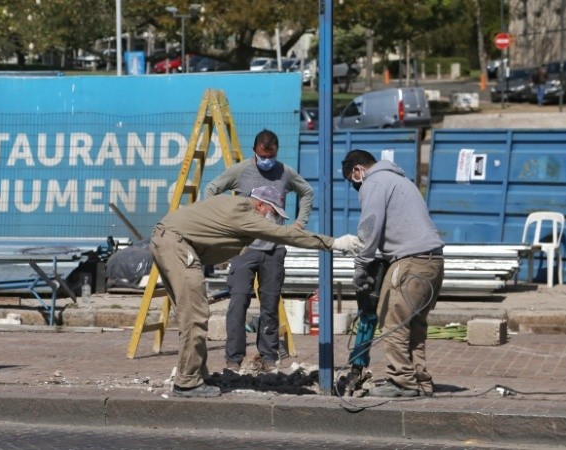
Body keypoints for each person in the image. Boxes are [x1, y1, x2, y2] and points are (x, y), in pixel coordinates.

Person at [150, 186, 362, 398]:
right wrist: (333, 243)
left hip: (168, 241)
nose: (269, 219)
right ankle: (187, 382)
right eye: (270, 212)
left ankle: (197, 374)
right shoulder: (245, 212)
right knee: (195, 315)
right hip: (177, 246)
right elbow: (284, 234)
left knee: (191, 313)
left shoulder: (230, 203)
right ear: (259, 204)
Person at [204, 129, 314, 374]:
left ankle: (268, 356)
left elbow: (306, 192)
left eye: (271, 155)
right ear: (255, 151)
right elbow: (211, 189)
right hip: (244, 249)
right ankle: (233, 359)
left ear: (276, 151)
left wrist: (299, 223)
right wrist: (224, 220)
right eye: (263, 156)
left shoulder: (284, 172)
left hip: (274, 249)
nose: (267, 161)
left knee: (270, 304)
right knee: (238, 301)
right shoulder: (242, 171)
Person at [341, 149, 444, 398]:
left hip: (408, 262)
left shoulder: (373, 182)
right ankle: (420, 380)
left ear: (358, 171)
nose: (355, 187)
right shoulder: (401, 181)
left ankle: (401, 382)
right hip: (433, 261)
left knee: (393, 323)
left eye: (352, 181)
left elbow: (370, 225)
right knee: (415, 325)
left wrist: (361, 265)